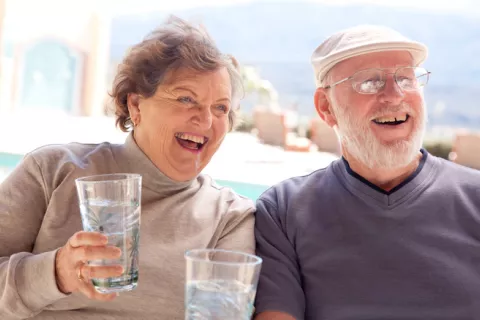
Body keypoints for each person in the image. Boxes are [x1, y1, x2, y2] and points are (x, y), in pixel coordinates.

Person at [0, 16, 254, 319]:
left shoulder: (229, 217)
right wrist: (55, 273)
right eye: (186, 98)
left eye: (221, 108)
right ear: (136, 105)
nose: (207, 120)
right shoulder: (52, 170)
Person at [254, 25, 480, 320]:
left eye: (405, 78)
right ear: (326, 107)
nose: (394, 95)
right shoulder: (283, 211)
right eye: (370, 82)